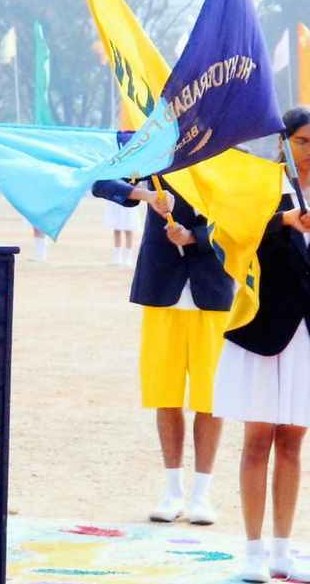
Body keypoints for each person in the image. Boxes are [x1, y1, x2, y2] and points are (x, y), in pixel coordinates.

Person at [215, 107, 310, 584]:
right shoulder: (262, 190)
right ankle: (252, 550)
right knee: (257, 441)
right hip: (262, 333)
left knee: (292, 444)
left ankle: (282, 550)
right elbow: (233, 239)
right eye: (302, 141)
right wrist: (284, 222)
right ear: (284, 143)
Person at [92, 175, 230, 526]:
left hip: (214, 290)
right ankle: (173, 491)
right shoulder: (153, 158)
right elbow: (102, 183)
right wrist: (147, 195)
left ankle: (201, 494)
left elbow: (241, 220)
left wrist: (195, 237)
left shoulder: (227, 157)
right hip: (162, 289)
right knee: (165, 395)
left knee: (210, 399)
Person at [103, 190, 140, 266]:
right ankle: (117, 258)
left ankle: (128, 258)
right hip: (116, 200)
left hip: (129, 199)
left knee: (128, 229)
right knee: (116, 228)